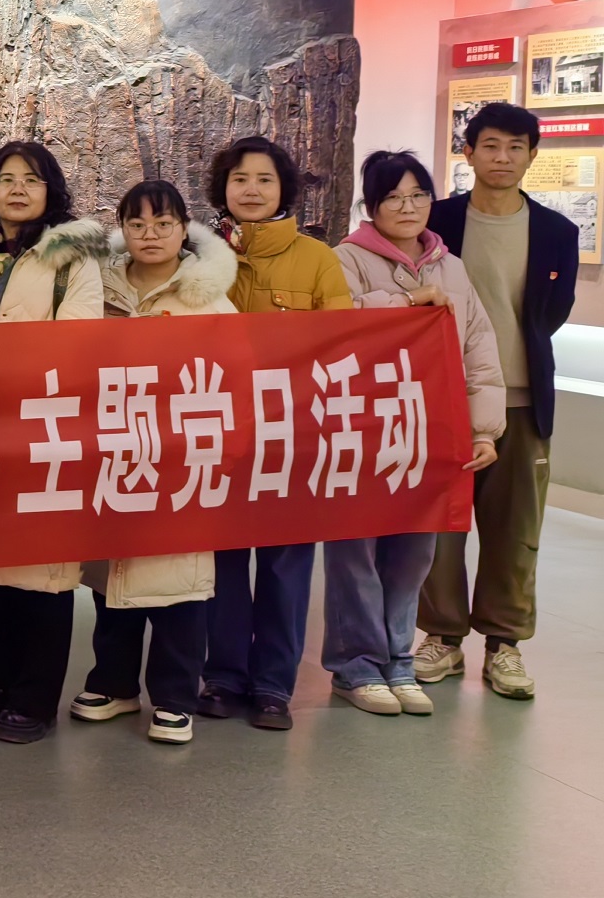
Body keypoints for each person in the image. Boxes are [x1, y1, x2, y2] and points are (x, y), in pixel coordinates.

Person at [330, 151, 503, 715]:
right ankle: (356, 666)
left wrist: (483, 430)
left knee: (413, 555)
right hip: (362, 429)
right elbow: (336, 326)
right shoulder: (346, 258)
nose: (408, 208)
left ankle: (397, 661)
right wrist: (405, 302)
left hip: (428, 432)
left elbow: (478, 349)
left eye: (418, 196)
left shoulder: (450, 266)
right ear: (371, 206)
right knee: (356, 553)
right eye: (393, 198)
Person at [417, 102, 578, 700]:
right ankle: (442, 636)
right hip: (442, 400)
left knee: (515, 531)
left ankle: (504, 645)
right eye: (490, 145)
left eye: (515, 147)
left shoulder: (558, 232)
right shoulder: (437, 220)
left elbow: (550, 315)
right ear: (469, 152)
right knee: (440, 528)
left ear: (532, 155)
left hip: (522, 401)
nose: (502, 157)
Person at [0, 140, 105, 743]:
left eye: (31, 180)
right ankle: (1, 676)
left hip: (44, 425)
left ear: (50, 192)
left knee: (44, 567)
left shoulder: (72, 259)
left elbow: (80, 341)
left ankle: (36, 697)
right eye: (6, 178)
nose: (17, 189)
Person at [67, 179, 233, 746]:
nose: (150, 235)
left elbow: (237, 375)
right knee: (112, 576)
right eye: (137, 224)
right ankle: (114, 684)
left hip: (182, 457)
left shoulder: (208, 295)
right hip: (113, 451)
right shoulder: (100, 287)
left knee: (178, 580)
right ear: (122, 229)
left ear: (184, 228)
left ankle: (175, 695)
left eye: (163, 223)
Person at [200, 135, 353, 730]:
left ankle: (272, 687)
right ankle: (222, 676)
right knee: (223, 562)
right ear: (223, 188)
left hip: (293, 438)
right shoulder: (199, 254)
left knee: (286, 567)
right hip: (221, 436)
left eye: (265, 179)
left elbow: (339, 347)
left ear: (284, 188)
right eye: (240, 179)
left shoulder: (317, 260)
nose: (252, 190)